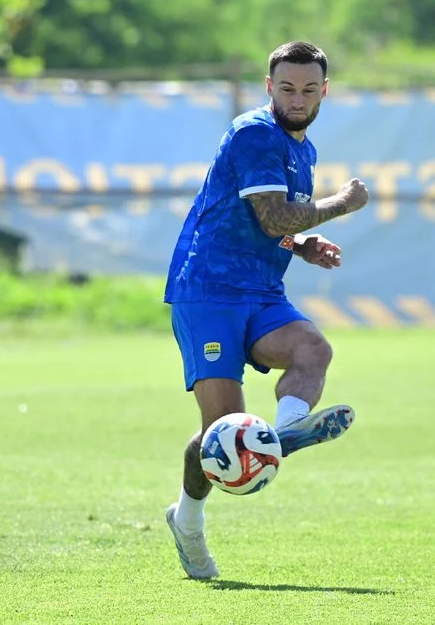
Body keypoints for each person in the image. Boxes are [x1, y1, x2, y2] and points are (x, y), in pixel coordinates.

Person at [161, 40, 370, 580]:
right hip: (208, 290)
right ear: (269, 87)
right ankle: (187, 519)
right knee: (222, 435)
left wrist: (303, 247)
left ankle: (282, 435)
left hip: (260, 290)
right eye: (286, 88)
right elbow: (277, 217)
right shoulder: (255, 132)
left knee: (312, 350)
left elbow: (271, 223)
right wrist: (340, 206)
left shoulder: (303, 148)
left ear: (324, 91)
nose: (296, 99)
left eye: (307, 89)